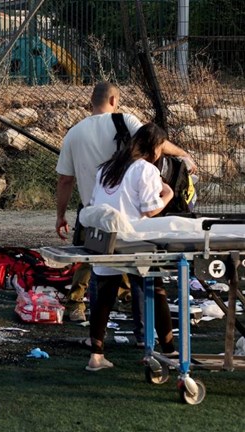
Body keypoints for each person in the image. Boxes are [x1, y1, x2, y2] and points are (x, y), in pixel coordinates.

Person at [55, 82, 196, 324]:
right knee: (137, 263)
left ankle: (79, 307)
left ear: (91, 101)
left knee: (91, 258)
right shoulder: (125, 121)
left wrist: (60, 215)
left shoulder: (74, 133)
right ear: (113, 101)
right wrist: (183, 154)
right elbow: (154, 141)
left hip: (92, 208)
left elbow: (65, 180)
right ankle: (143, 325)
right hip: (126, 210)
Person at [86, 123, 177, 371]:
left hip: (106, 239)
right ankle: (171, 350)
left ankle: (96, 355)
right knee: (155, 291)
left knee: (104, 296)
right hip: (134, 241)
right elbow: (149, 208)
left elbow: (96, 202)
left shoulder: (107, 167)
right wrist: (167, 195)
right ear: (155, 149)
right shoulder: (145, 169)